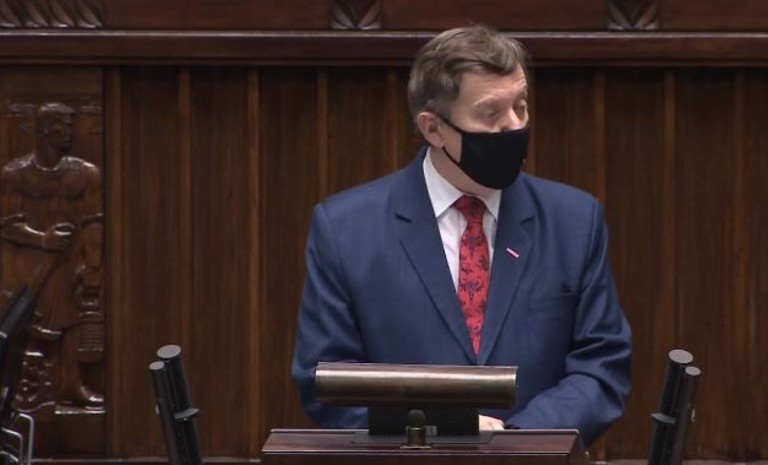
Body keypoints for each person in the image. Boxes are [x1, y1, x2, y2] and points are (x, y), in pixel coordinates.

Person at [291, 25, 631, 445]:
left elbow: (601, 367)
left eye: (520, 107)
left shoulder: (574, 221)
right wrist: (441, 429)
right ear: (433, 128)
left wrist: (514, 440)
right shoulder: (346, 229)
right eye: (491, 114)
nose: (514, 126)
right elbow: (327, 380)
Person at [0, 102, 104, 410]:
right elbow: (6, 225)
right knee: (24, 325)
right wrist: (43, 239)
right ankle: (15, 390)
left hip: (67, 263)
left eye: (73, 126)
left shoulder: (86, 174)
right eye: (65, 126)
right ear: (46, 129)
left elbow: (93, 222)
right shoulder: (16, 174)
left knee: (71, 321)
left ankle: (70, 384)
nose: (71, 132)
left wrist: (93, 264)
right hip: (25, 265)